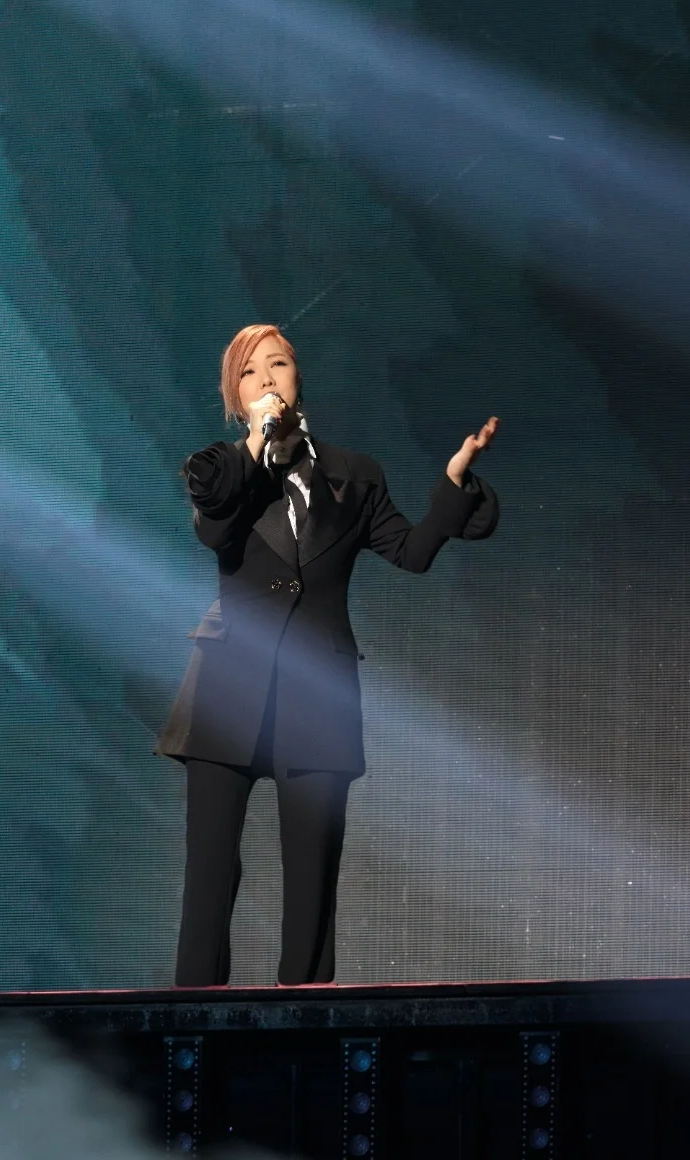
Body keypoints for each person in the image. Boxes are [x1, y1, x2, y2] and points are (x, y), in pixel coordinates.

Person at [157, 324, 500, 988]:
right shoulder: (221, 471)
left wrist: (454, 482)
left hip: (318, 691)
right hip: (229, 687)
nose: (266, 380)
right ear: (235, 396)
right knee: (210, 869)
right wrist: (256, 445)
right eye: (249, 373)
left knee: (312, 872)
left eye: (277, 365)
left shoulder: (354, 476)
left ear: (298, 377)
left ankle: (307, 1015)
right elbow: (214, 529)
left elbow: (412, 553)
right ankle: (194, 1017)